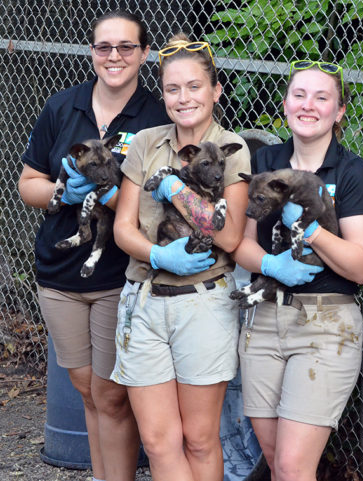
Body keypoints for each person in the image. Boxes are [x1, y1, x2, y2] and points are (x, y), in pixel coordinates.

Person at [18, 10, 170, 481]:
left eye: (126, 47)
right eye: (104, 47)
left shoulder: (156, 115)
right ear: (91, 53)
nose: (114, 56)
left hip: (117, 273)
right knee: (87, 390)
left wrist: (114, 195)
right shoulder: (63, 106)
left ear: (145, 54)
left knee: (110, 394)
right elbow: (28, 182)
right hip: (59, 273)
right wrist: (62, 194)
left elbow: (168, 194)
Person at [110, 33, 250, 481]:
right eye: (173, 89)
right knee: (157, 441)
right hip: (145, 299)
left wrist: (177, 189)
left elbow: (228, 236)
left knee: (200, 438)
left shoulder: (232, 147)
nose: (183, 98)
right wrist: (157, 254)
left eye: (194, 86)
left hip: (202, 303)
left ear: (215, 90)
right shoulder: (147, 143)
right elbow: (122, 228)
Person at [233, 59, 363, 481]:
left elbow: (361, 266)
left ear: (339, 111)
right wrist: (269, 263)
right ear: (285, 105)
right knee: (277, 460)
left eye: (322, 97)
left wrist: (309, 228)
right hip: (263, 320)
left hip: (325, 321)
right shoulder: (267, 160)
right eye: (299, 95)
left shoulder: (353, 173)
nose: (308, 105)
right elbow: (241, 243)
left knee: (296, 467)